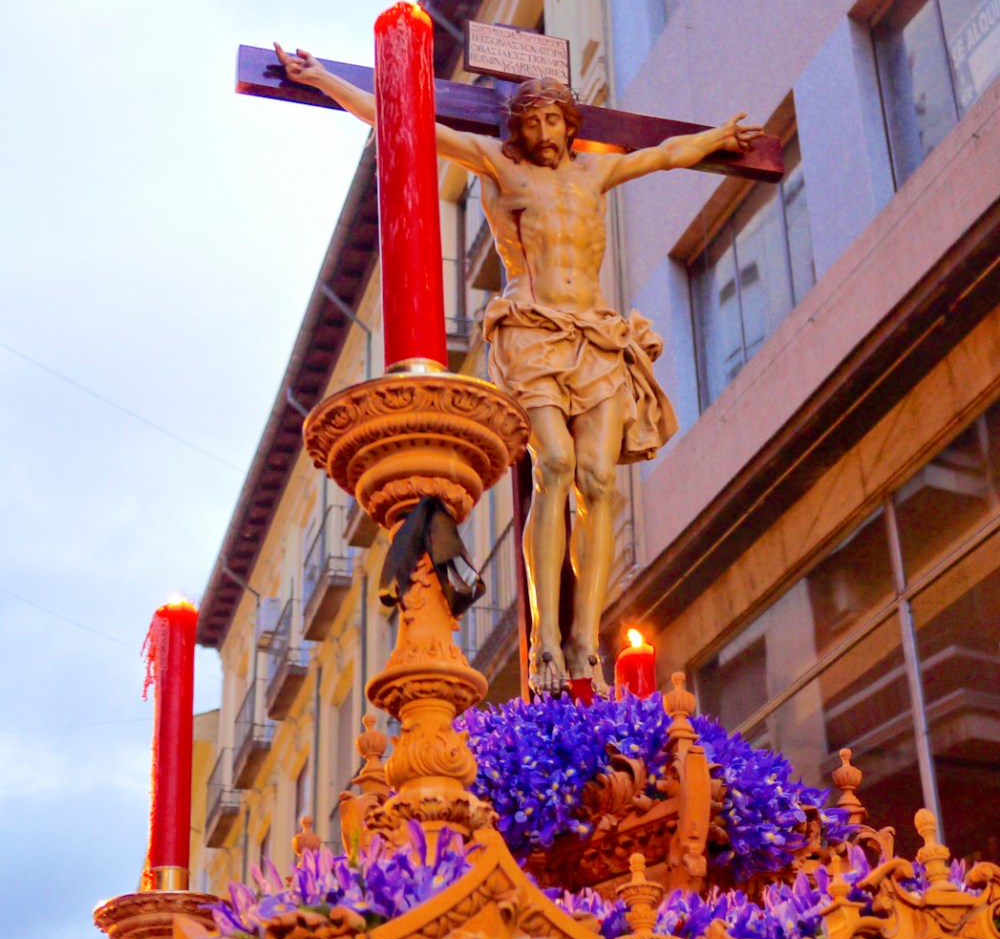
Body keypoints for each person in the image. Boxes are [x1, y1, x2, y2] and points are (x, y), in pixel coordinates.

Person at [274, 44, 763, 692]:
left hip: (596, 334)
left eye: (552, 122)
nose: (541, 134)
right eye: (529, 125)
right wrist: (323, 78)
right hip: (534, 331)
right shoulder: (506, 172)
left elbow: (664, 155)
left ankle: (587, 639)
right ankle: (546, 640)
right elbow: (413, 123)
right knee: (553, 462)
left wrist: (719, 139)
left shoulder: (594, 173)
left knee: (598, 478)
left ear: (568, 123)